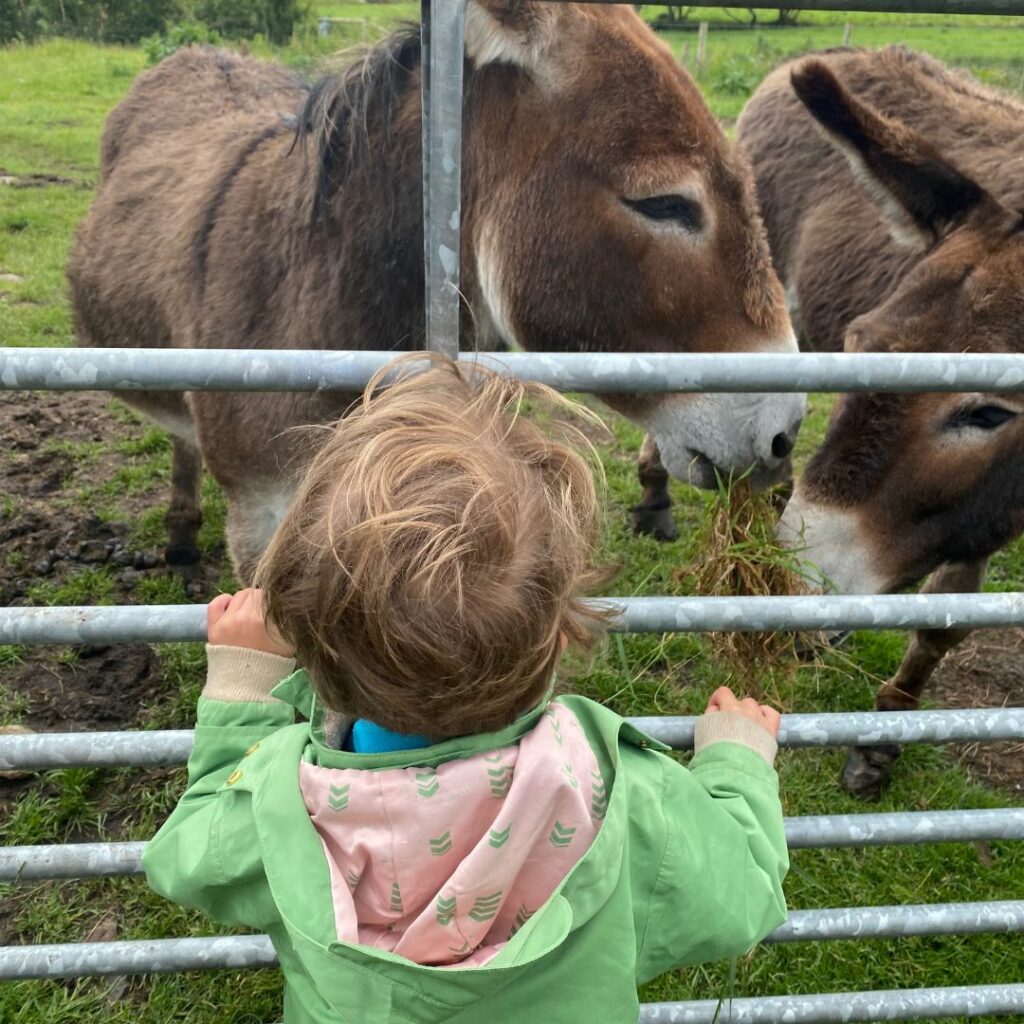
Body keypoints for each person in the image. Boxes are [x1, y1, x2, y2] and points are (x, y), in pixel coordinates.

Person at [143, 354, 788, 1024]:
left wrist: (246, 688)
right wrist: (736, 762)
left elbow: (193, 850)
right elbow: (740, 890)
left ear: (310, 653)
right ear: (561, 638)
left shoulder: (277, 812)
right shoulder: (615, 800)